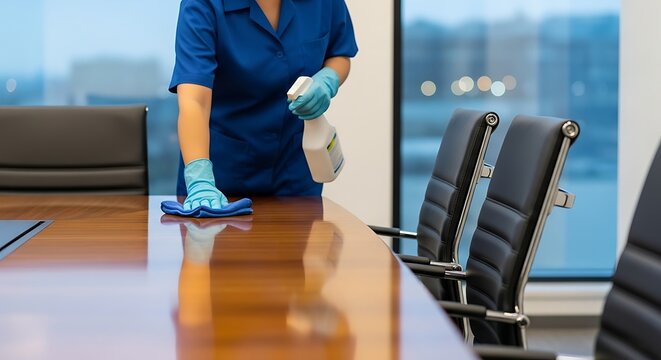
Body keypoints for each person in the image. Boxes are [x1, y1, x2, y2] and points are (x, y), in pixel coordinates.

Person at [170, 0, 358, 210]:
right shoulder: (204, 5)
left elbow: (339, 53)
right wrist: (200, 179)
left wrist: (327, 80)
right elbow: (194, 100)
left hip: (296, 169)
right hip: (222, 175)